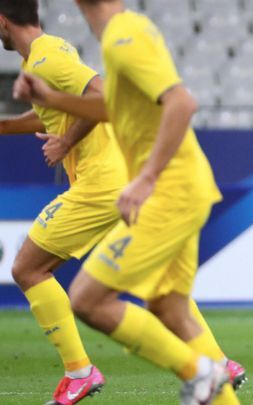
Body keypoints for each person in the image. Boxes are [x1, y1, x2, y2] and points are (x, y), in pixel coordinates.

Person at [13, 0, 241, 403]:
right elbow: (110, 105)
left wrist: (146, 177)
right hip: (175, 187)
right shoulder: (118, 33)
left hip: (162, 189)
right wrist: (51, 99)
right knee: (168, 308)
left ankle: (199, 370)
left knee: (85, 297)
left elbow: (182, 102)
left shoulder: (121, 36)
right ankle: (213, 370)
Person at [0, 1, 126, 402]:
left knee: (28, 268)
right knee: (158, 279)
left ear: (2, 21)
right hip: (116, 177)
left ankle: (79, 372)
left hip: (100, 182)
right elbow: (54, 112)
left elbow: (104, 97)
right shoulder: (45, 54)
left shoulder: (46, 59)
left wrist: (66, 141)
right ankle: (215, 362)